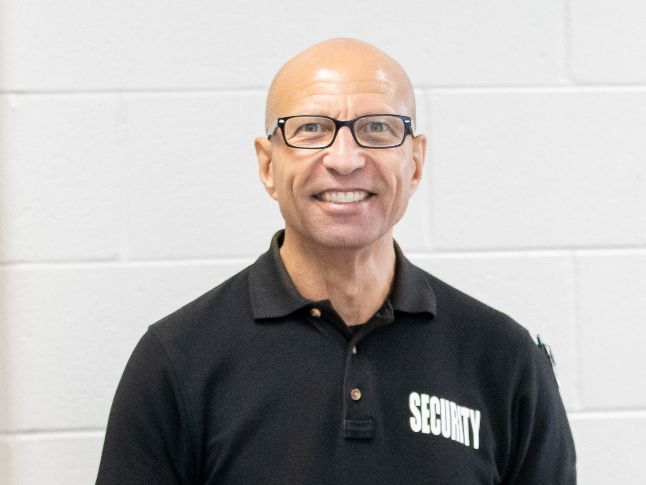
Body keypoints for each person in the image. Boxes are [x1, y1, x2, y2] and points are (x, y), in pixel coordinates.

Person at [96, 38, 576, 484]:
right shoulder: (177, 361)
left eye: (377, 129)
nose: (344, 159)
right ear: (268, 164)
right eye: (311, 129)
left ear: (415, 162)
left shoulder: (502, 358)